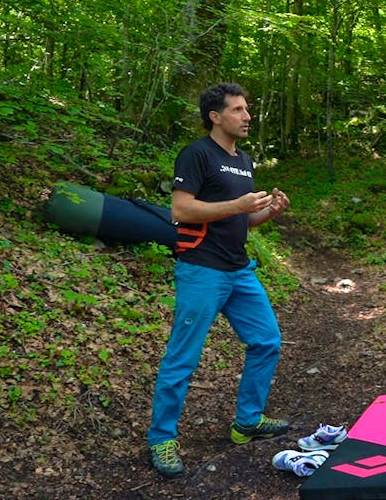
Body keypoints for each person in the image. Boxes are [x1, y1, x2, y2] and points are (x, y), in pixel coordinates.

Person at [147, 82, 291, 477]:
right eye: (239, 110)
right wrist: (238, 205)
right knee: (183, 356)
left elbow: (240, 218)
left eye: (248, 110)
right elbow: (182, 209)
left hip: (239, 271)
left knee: (266, 341)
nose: (247, 117)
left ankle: (248, 421)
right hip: (202, 270)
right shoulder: (196, 155)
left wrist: (267, 212)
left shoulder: (244, 160)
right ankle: (161, 439)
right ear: (216, 116)